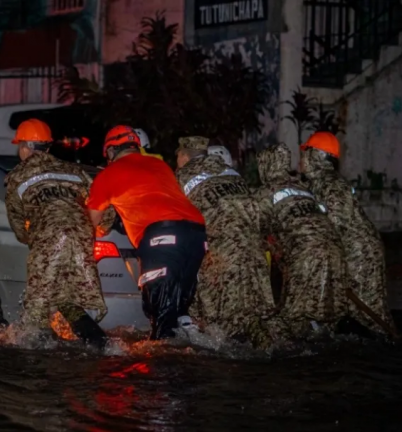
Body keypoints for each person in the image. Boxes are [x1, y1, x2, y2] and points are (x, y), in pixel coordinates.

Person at [87, 125, 207, 340]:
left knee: (160, 309)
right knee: (180, 309)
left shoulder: (109, 174)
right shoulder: (159, 165)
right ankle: (198, 346)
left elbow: (89, 222)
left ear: (111, 151)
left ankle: (164, 357)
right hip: (196, 234)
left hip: (162, 235)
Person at [4, 118, 112, 349]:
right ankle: (102, 345)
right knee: (66, 299)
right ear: (47, 147)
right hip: (82, 238)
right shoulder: (73, 170)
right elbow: (103, 204)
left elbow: (17, 223)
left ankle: (39, 355)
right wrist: (101, 227)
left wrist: (31, 237)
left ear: (25, 147)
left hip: (49, 239)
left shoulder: (17, 176)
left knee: (37, 305)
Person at [175, 136, 277, 348]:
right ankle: (269, 350)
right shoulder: (232, 173)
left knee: (219, 322)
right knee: (253, 312)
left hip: (221, 255)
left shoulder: (183, 176)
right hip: (254, 252)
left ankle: (229, 361)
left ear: (184, 156)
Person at [299, 131, 395, 335]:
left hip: (360, 254)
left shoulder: (331, 184)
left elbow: (338, 221)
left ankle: (392, 344)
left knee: (368, 311)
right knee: (339, 307)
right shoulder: (320, 182)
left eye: (306, 152)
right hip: (350, 250)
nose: (302, 158)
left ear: (316, 155)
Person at [254, 143, 346, 336]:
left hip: (305, 254)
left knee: (292, 320)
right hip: (336, 249)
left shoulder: (265, 193)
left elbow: (253, 230)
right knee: (327, 314)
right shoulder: (304, 187)